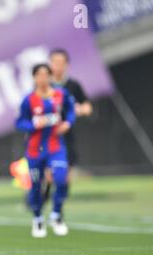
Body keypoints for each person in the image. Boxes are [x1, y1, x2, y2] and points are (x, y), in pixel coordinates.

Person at [16, 64, 76, 238]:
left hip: (55, 146)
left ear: (50, 77)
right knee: (35, 187)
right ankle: (38, 219)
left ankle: (56, 215)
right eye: (39, 75)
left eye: (45, 75)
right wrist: (34, 124)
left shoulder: (60, 94)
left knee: (61, 178)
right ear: (34, 78)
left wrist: (67, 123)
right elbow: (20, 123)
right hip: (35, 150)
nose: (42, 78)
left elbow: (71, 111)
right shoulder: (28, 100)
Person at [40, 49, 94, 202]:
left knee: (67, 167)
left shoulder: (73, 85)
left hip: (66, 132)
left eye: (61, 63)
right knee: (48, 168)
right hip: (47, 133)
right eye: (55, 63)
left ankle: (61, 196)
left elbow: (87, 107)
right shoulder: (44, 84)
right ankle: (45, 193)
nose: (58, 66)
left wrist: (78, 109)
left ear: (67, 65)